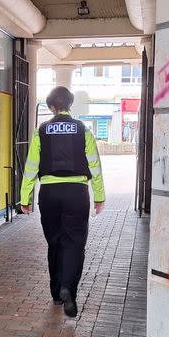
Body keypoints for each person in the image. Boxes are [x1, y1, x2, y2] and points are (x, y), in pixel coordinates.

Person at [20, 86, 105, 317]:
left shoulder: (42, 131)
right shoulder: (83, 130)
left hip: (48, 193)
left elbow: (31, 167)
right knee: (74, 242)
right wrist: (99, 196)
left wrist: (24, 197)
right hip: (77, 192)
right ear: (70, 105)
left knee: (54, 242)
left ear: (51, 107)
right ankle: (69, 287)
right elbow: (95, 166)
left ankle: (56, 293)